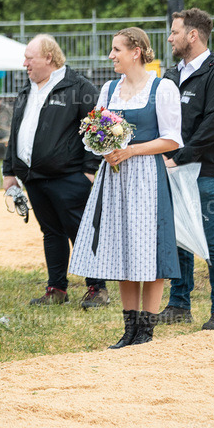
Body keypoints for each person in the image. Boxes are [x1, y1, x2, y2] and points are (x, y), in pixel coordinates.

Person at [68, 28, 182, 348]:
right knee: (123, 250)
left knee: (150, 251)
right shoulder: (109, 88)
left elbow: (172, 139)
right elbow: (96, 131)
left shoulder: (162, 88)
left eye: (116, 49)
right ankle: (129, 328)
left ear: (136, 52)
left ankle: (146, 331)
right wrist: (104, 149)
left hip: (146, 176)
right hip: (115, 176)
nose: (111, 55)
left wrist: (131, 150)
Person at [1, 35, 109, 309]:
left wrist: (88, 170)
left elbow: (99, 127)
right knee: (51, 232)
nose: (24, 63)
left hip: (70, 177)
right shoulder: (27, 90)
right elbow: (16, 133)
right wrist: (9, 171)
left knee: (81, 232)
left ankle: (97, 289)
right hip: (34, 178)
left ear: (48, 58)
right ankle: (56, 288)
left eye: (30, 57)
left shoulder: (78, 87)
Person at [158, 8, 214, 331]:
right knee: (178, 237)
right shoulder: (171, 76)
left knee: (211, 238)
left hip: (205, 172)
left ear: (193, 35)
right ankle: (179, 303)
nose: (170, 38)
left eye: (175, 32)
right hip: (173, 169)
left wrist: (180, 157)